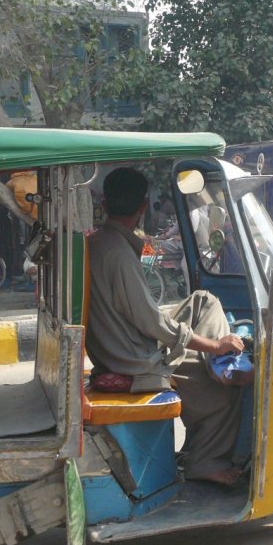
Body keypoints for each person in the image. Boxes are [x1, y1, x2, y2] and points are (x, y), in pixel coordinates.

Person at [86, 167, 245, 486]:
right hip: (135, 361)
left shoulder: (101, 242)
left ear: (104, 202)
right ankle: (204, 459)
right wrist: (213, 346)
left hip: (120, 342)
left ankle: (215, 363)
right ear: (143, 206)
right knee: (225, 397)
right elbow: (150, 322)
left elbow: (143, 315)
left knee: (204, 299)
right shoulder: (118, 253)